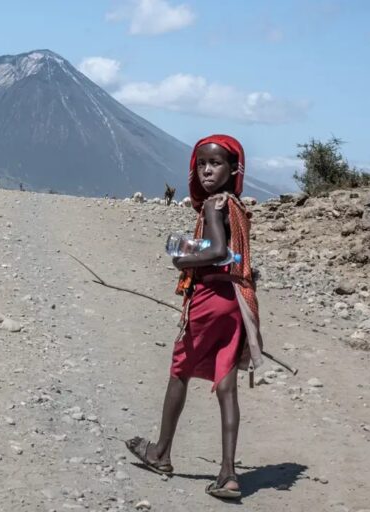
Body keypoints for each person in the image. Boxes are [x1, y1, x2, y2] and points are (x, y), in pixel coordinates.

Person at [125, 134, 265, 500]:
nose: (206, 170)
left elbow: (218, 250)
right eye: (201, 163)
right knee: (226, 385)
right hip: (236, 301)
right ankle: (229, 474)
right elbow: (234, 255)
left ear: (233, 169)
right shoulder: (237, 206)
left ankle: (161, 453)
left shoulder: (213, 206)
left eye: (215, 164)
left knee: (179, 370)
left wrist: (183, 260)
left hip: (210, 299)